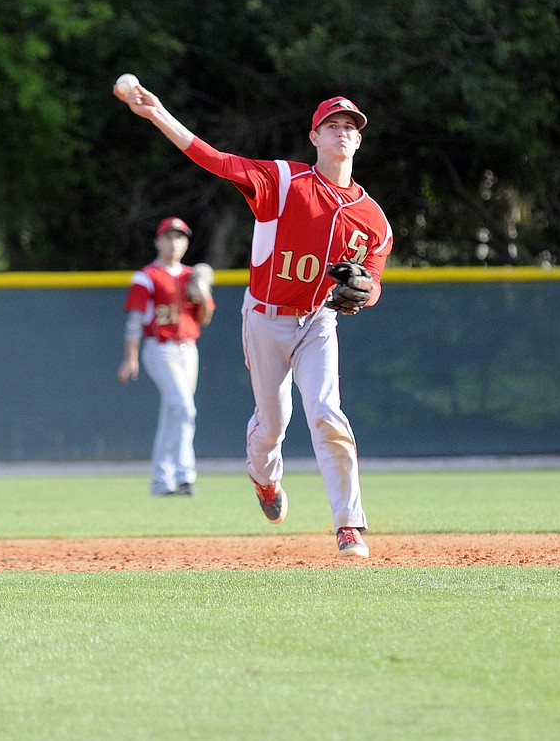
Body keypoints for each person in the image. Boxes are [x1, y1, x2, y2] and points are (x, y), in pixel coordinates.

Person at [114, 84, 392, 558]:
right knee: (272, 424)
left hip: (319, 323)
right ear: (315, 137)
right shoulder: (283, 183)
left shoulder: (373, 220)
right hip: (264, 319)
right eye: (333, 126)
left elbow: (374, 282)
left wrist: (366, 292)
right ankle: (265, 481)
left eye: (350, 128)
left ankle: (349, 525)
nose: (342, 133)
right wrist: (159, 113)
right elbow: (214, 159)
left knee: (327, 415)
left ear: (359, 141)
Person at [118, 216, 215, 496]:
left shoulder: (189, 276)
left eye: (180, 237)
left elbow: (204, 319)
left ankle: (167, 480)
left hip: (188, 349)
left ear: (186, 243)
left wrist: (203, 294)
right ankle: (183, 473)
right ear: (158, 241)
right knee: (184, 408)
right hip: (160, 349)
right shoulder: (146, 276)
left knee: (175, 413)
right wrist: (131, 357)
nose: (175, 242)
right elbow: (135, 321)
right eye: (169, 236)